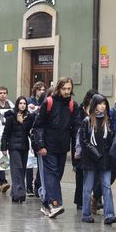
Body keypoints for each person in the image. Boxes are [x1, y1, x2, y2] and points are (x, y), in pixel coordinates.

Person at [32, 77, 79, 218]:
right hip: (48, 146)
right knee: (52, 174)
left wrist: (76, 148)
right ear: (58, 88)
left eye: (69, 89)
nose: (66, 91)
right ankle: (55, 203)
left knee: (57, 175)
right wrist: (40, 145)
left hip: (62, 147)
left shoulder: (72, 105)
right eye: (64, 88)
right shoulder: (49, 102)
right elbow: (38, 125)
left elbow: (76, 127)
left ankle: (46, 204)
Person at [78, 93, 116, 224]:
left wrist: (107, 154)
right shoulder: (87, 121)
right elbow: (84, 141)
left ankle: (109, 214)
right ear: (94, 105)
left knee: (107, 186)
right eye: (100, 103)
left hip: (105, 159)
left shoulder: (107, 121)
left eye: (104, 103)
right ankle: (86, 214)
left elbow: (111, 139)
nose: (103, 106)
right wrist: (95, 154)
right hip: (90, 159)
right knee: (88, 188)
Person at [1, 96, 35, 202]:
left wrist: (23, 122)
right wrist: (4, 147)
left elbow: (28, 132)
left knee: (22, 170)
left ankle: (14, 193)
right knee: (17, 169)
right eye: (20, 103)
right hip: (13, 147)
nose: (22, 105)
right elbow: (5, 133)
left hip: (24, 147)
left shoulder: (28, 118)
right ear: (17, 104)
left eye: (24, 103)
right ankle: (20, 194)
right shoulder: (11, 117)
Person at [26, 82, 46, 197]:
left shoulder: (44, 102)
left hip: (39, 136)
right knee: (30, 163)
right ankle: (28, 186)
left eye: (43, 90)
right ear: (35, 90)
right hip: (31, 134)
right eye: (39, 89)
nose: (41, 91)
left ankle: (37, 185)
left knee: (39, 163)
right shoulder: (30, 101)